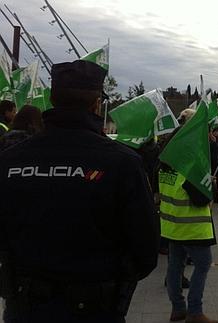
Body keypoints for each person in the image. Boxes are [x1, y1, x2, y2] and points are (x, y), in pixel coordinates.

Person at [0, 60, 159, 323]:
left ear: (51, 99)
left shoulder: (11, 160)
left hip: (25, 306)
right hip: (94, 307)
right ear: (96, 104)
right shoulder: (122, 162)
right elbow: (145, 248)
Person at [158, 142, 218, 323]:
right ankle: (194, 311)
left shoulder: (164, 168)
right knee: (203, 264)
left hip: (172, 227)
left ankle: (177, 308)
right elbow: (202, 199)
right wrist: (209, 183)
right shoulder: (189, 168)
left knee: (175, 266)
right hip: (193, 229)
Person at [209, 128, 218, 204]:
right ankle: (212, 197)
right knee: (212, 182)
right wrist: (214, 142)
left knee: (217, 182)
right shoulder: (210, 143)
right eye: (214, 131)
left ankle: (216, 197)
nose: (216, 133)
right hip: (212, 165)